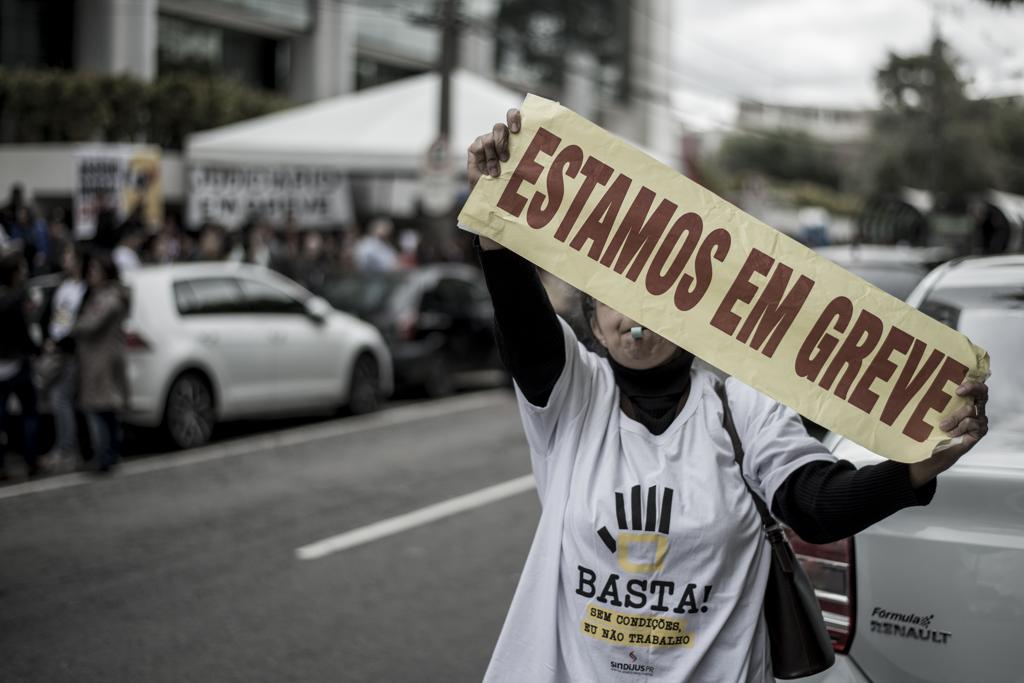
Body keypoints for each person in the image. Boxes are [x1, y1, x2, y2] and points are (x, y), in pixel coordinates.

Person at [466, 109, 990, 683]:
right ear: (593, 319)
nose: (633, 316)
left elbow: (816, 506)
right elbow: (524, 331)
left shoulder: (742, 407)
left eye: (649, 298)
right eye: (614, 298)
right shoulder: (574, 396)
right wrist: (498, 228)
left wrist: (919, 467)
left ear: (687, 311)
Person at [73, 252, 129, 473]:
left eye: (95, 270)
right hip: (98, 358)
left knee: (100, 409)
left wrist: (74, 326)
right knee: (105, 410)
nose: (91, 274)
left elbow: (88, 325)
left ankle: (105, 455)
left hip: (103, 360)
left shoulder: (109, 299)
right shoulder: (101, 296)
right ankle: (109, 453)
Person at [39, 244, 87, 472]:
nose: (64, 259)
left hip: (71, 351)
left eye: (68, 255)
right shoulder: (62, 285)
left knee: (62, 399)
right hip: (57, 349)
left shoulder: (83, 288)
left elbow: (79, 323)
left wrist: (60, 342)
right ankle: (68, 447)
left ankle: (67, 449)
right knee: (58, 399)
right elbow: (51, 316)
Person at [0, 251, 41, 480]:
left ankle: (3, 464)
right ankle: (31, 459)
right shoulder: (17, 299)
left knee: (3, 417)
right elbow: (23, 334)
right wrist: (35, 350)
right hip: (17, 363)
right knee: (29, 414)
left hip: (4, 364)